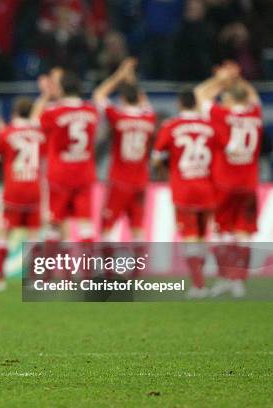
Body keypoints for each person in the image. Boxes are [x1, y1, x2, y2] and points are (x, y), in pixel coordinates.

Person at [195, 61, 263, 297]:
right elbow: (252, 96)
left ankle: (226, 277)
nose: (221, 100)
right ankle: (239, 282)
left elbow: (200, 94)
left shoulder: (222, 115)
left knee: (224, 231)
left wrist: (221, 79)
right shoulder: (255, 113)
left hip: (225, 183)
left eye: (224, 97)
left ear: (230, 99)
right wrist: (238, 78)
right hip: (249, 184)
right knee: (244, 233)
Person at [152, 88, 217, 298]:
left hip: (184, 188)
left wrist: (165, 172)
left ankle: (198, 286)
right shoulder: (209, 126)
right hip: (207, 187)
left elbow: (156, 155)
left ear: (180, 103)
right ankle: (203, 282)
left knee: (190, 237)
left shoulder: (171, 126)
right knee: (201, 235)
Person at [93, 58, 157, 242]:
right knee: (137, 227)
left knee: (107, 225)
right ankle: (136, 269)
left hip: (119, 180)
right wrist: (131, 79)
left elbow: (99, 94)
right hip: (140, 181)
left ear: (122, 99)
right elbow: (141, 98)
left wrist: (120, 75)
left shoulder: (118, 116)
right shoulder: (149, 117)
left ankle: (106, 267)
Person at [0, 97, 45, 291]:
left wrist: (0, 133)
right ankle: (33, 280)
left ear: (14, 112)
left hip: (14, 189)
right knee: (34, 235)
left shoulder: (7, 132)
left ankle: (0, 278)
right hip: (34, 189)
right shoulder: (40, 133)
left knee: (5, 232)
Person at [38, 70, 99, 244]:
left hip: (60, 174)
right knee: (85, 224)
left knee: (54, 224)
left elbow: (36, 122)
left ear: (62, 89)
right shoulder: (91, 111)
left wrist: (47, 95)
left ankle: (49, 270)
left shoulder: (53, 112)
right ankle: (87, 270)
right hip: (84, 173)